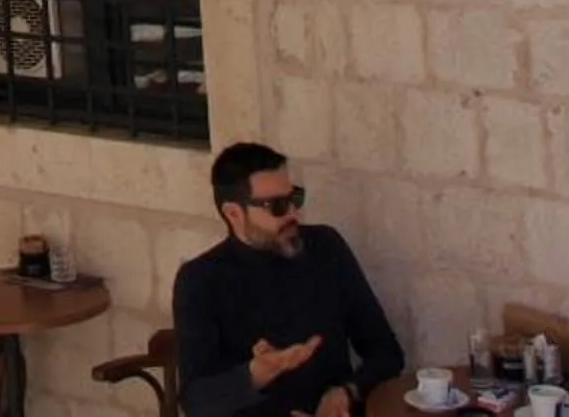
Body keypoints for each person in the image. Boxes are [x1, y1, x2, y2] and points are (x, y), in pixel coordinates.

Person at [169, 142, 402, 417]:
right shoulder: (201, 280)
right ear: (234, 213)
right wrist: (255, 375)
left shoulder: (325, 248)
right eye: (277, 206)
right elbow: (196, 401)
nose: (293, 213)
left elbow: (387, 353)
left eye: (295, 198)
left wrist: (347, 391)